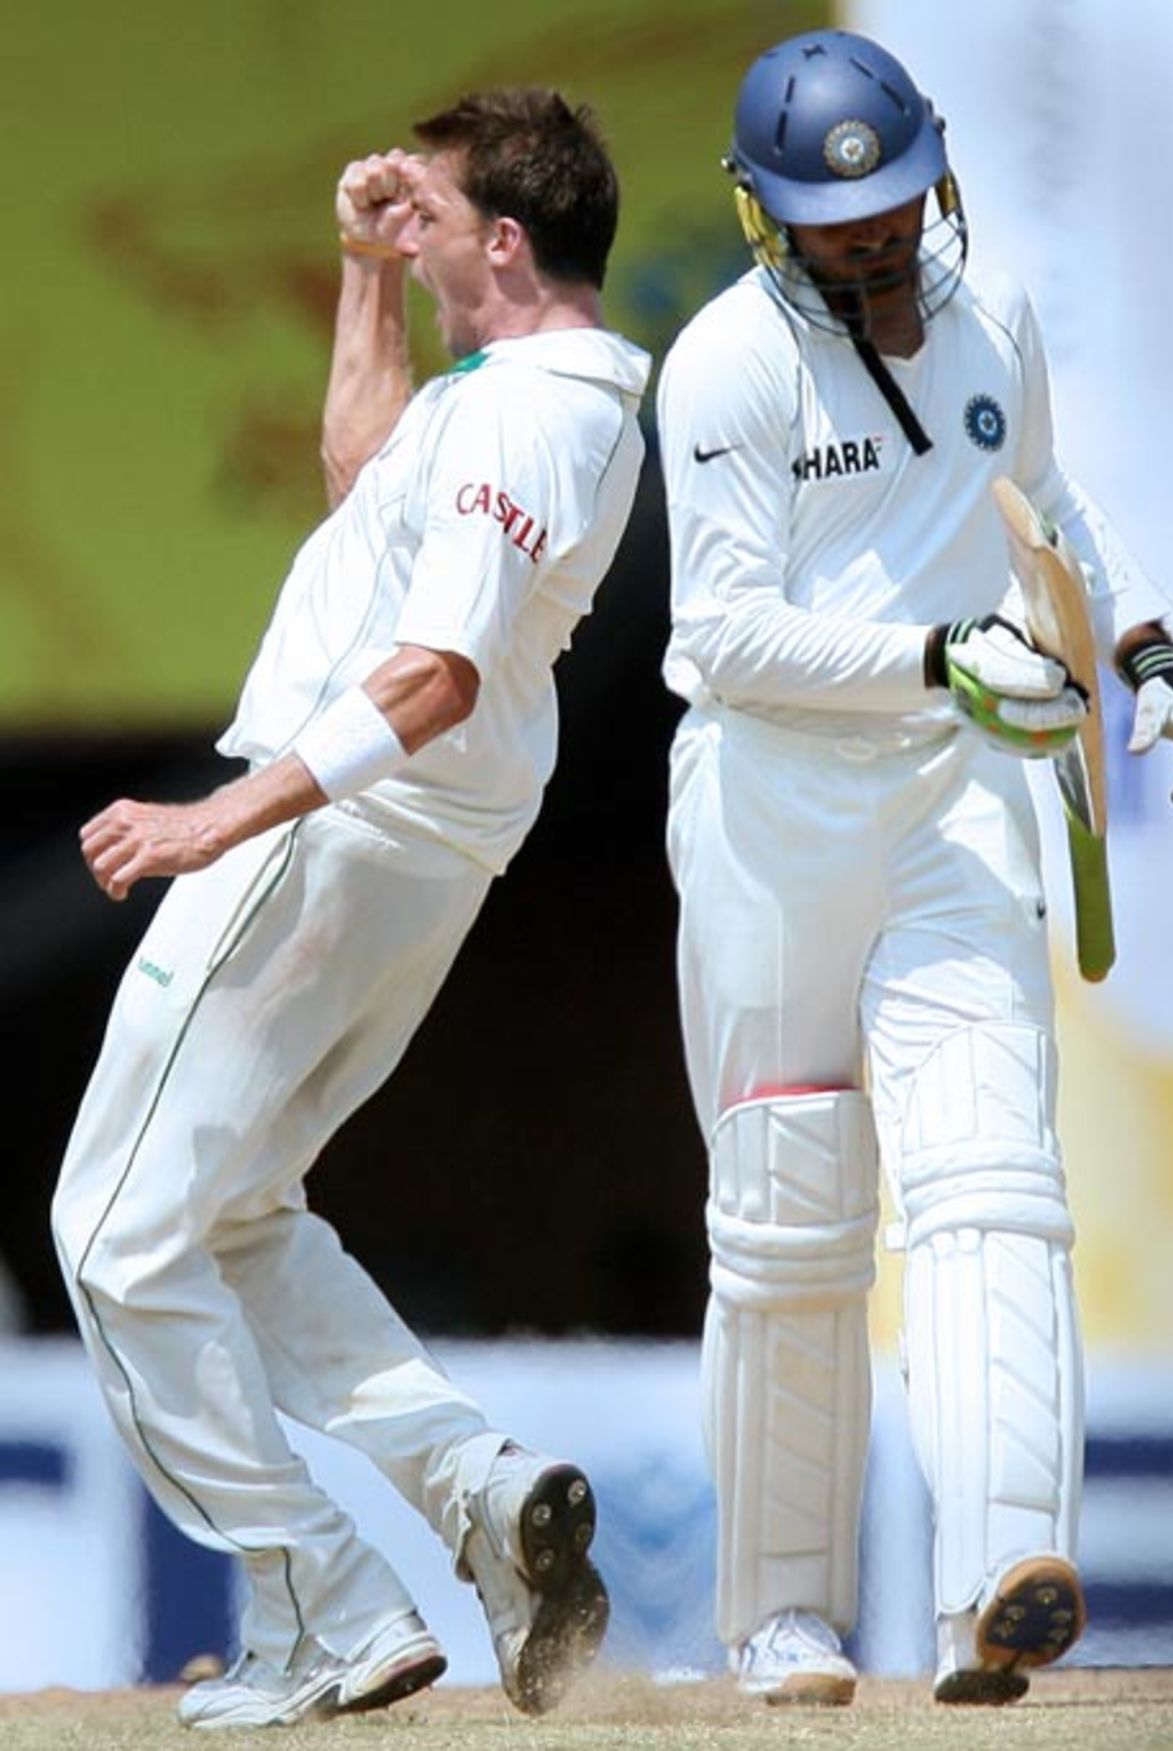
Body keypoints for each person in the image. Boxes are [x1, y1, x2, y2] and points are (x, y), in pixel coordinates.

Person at [656, 29, 1173, 1710]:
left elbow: (1045, 504)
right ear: (769, 219)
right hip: (774, 810)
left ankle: (999, 1574)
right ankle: (783, 1616)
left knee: (995, 1180)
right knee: (790, 1215)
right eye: (839, 226)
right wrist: (941, 660)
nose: (880, 244)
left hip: (953, 805)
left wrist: (1156, 653)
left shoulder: (994, 315)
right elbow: (721, 630)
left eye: (903, 206)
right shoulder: (719, 367)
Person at [51, 88, 650, 1731]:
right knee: (232, 1220)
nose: (417, 227)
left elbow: (436, 669)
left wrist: (213, 816)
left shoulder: (534, 414)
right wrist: (365, 273)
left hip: (327, 838)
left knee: (109, 1236)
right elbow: (354, 475)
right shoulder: (525, 395)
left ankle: (319, 1598)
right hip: (409, 858)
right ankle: (474, 1489)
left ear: (508, 240)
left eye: (437, 219)